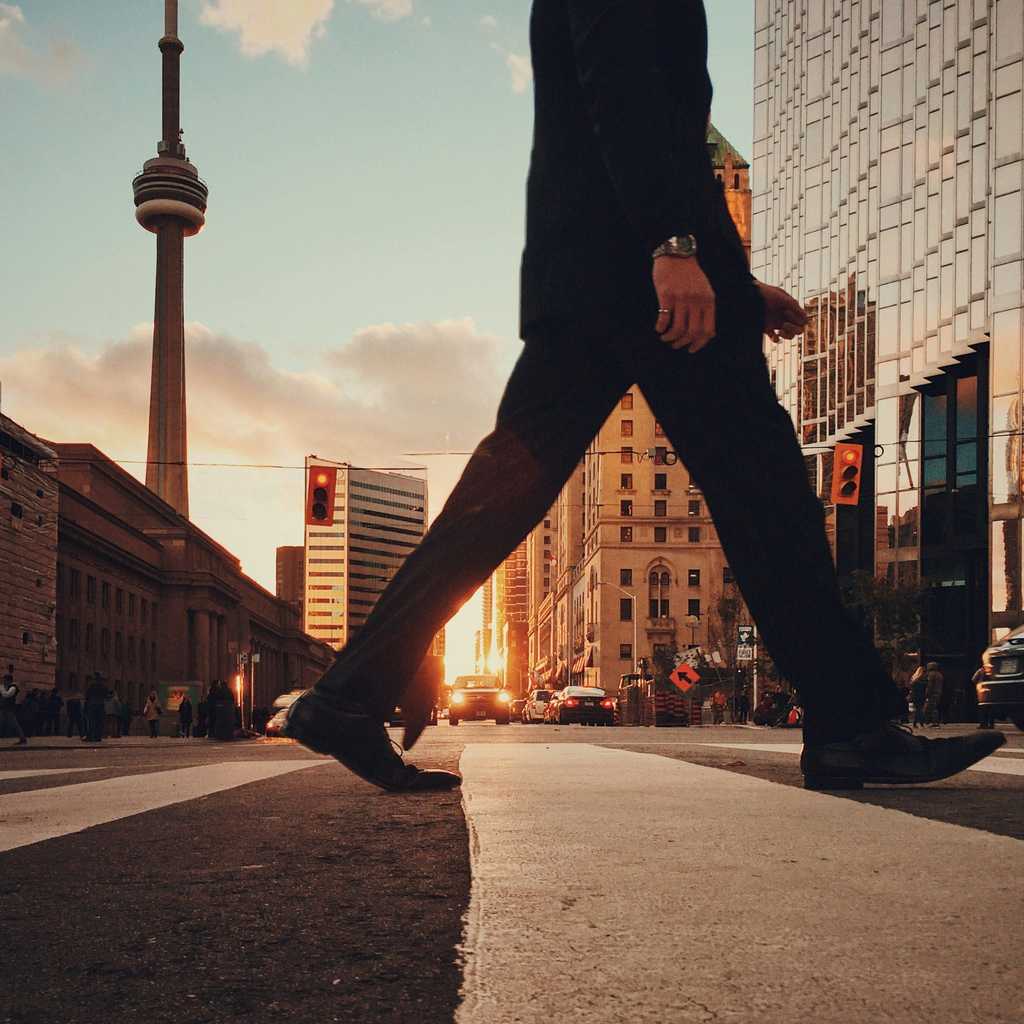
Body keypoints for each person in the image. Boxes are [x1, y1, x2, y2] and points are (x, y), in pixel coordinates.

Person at [282, 0, 1004, 791]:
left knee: (499, 499)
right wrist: (673, 246)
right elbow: (624, 85)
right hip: (638, 279)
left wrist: (734, 285)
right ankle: (851, 726)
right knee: (767, 494)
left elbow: (647, 124)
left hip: (594, 279)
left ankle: (349, 695)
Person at [1, 670, 27, 746]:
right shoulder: (7, 687)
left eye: (4, 680)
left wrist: (2, 689)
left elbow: (7, 695)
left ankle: (23, 739)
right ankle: (22, 738)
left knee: (14, 724)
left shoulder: (13, 687)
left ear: (8, 680)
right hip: (4, 708)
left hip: (9, 709)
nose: (3, 682)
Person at [84, 675, 108, 743]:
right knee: (99, 722)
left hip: (92, 705)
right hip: (101, 705)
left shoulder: (91, 686)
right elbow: (106, 696)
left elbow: (87, 695)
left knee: (91, 721)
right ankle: (98, 737)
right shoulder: (104, 687)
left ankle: (91, 736)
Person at [924, 663, 944, 728]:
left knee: (932, 708)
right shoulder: (939, 674)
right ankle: (933, 721)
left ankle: (935, 722)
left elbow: (930, 685)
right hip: (938, 692)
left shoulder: (931, 674)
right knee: (933, 707)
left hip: (933, 693)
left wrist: (927, 693)